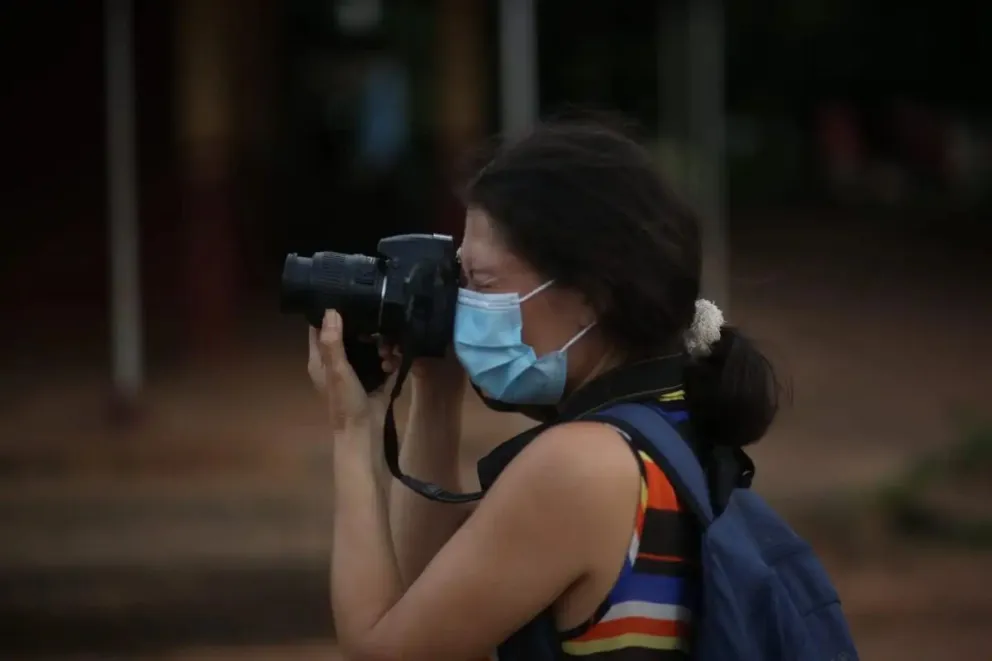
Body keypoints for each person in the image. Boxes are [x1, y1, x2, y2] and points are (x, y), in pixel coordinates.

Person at [309, 119, 780, 660]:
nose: (467, 304)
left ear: (590, 294)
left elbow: (385, 653)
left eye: (482, 283)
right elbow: (428, 600)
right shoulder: (670, 418)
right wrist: (434, 394)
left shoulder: (579, 466)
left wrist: (352, 429)